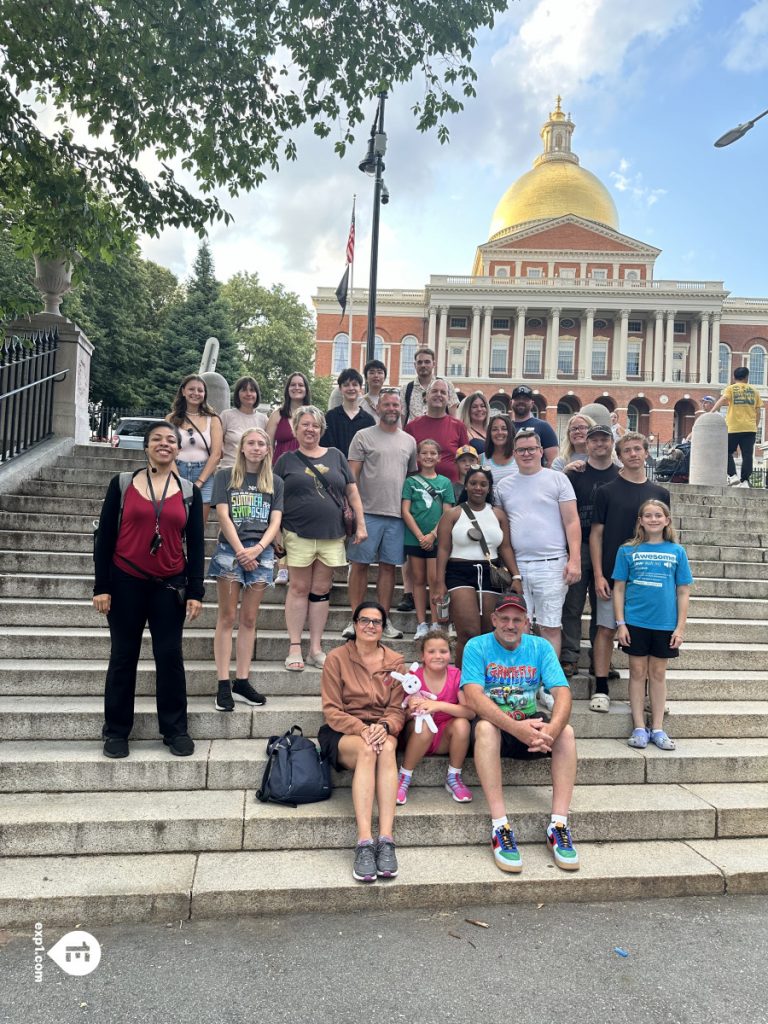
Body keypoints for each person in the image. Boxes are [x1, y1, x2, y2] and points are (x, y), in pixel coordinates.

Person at [93, 421, 204, 759]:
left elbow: (196, 545)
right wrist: (102, 586)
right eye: (157, 439)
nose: (164, 444)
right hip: (125, 581)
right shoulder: (123, 484)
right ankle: (115, 732)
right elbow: (105, 539)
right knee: (123, 657)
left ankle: (175, 729)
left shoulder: (188, 491)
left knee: (169, 658)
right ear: (146, 446)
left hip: (169, 586)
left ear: (179, 449)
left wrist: (196, 591)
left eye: (171, 440)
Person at [460, 594, 579, 873]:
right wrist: (517, 729)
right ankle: (500, 827)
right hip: (495, 727)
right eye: (504, 618)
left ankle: (558, 825)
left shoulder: (540, 647)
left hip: (529, 723)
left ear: (526, 623)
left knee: (567, 733)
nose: (510, 625)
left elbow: (562, 692)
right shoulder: (477, 646)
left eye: (517, 619)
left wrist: (550, 730)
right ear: (494, 620)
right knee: (487, 728)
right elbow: (474, 697)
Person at [319, 601, 407, 883]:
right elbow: (332, 710)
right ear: (354, 624)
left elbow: (397, 709)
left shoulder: (395, 662)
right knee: (370, 749)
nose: (370, 626)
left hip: (381, 729)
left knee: (389, 746)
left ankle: (387, 839)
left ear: (384, 628)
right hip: (344, 731)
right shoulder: (337, 658)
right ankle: (365, 842)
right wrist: (361, 729)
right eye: (365, 621)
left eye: (377, 622)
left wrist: (383, 726)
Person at [274, 405, 366, 671]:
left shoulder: (336, 456)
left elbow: (353, 493)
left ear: (321, 429)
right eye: (304, 424)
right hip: (297, 532)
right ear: (295, 429)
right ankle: (294, 647)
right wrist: (276, 531)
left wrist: (361, 525)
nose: (310, 429)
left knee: (321, 590)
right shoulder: (286, 460)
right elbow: (274, 498)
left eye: (314, 425)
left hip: (332, 534)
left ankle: (315, 647)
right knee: (299, 588)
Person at [589, 432, 671, 713]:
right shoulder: (606, 491)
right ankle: (601, 688)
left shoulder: (660, 494)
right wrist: (599, 574)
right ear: (619, 455)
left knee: (649, 634)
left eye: (638, 449)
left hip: (650, 577)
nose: (633, 454)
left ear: (646, 453)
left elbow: (667, 535)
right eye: (627, 450)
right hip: (614, 575)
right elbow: (596, 536)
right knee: (606, 628)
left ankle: (651, 697)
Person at [208, 428, 283, 712]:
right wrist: (241, 550)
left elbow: (276, 520)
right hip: (231, 551)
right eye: (250, 443)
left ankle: (242, 680)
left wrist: (258, 548)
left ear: (267, 449)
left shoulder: (274, 481)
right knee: (227, 617)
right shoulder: (225, 476)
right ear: (241, 447)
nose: (255, 447)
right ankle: (223, 684)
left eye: (260, 443)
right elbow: (223, 515)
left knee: (249, 619)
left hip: (261, 552)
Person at [494, 428, 581, 666]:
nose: (527, 453)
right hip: (518, 566)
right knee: (519, 626)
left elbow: (572, 521)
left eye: (531, 448)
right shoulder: (503, 486)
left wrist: (575, 560)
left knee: (550, 626)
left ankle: (548, 682)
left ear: (541, 451)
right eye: (521, 450)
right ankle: (525, 678)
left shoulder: (558, 479)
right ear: (514, 453)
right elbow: (503, 527)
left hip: (552, 564)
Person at [613, 500, 692, 751]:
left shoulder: (677, 551)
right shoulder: (627, 550)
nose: (654, 519)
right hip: (635, 622)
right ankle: (639, 727)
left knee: (658, 674)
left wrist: (679, 628)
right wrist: (620, 623)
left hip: (664, 624)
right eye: (648, 515)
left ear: (667, 520)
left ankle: (657, 727)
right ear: (641, 521)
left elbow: (683, 591)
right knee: (637, 672)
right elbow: (619, 588)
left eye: (659, 515)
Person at [346, 389, 417, 640]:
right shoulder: (362, 436)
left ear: (401, 409)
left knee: (389, 569)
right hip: (367, 513)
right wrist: (354, 512)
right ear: (378, 408)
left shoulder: (409, 441)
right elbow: (351, 477)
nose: (391, 408)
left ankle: (382, 620)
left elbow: (410, 478)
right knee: (360, 565)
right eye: (386, 404)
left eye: (395, 405)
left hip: (397, 516)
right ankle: (356, 618)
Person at [433, 467, 521, 666]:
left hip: (490, 573)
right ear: (466, 485)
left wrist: (516, 576)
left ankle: (486, 681)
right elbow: (443, 549)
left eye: (483, 484)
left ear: (489, 488)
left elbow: (505, 547)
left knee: (488, 633)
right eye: (473, 483)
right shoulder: (453, 514)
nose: (478, 488)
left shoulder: (498, 514)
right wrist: (439, 582)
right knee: (468, 632)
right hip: (459, 573)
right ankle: (462, 683)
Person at [560, 424, 620, 678]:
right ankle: (570, 656)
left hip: (610, 548)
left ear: (611, 443)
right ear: (587, 443)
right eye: (593, 440)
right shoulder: (575, 474)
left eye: (604, 440)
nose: (599, 444)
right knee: (572, 605)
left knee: (604, 607)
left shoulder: (621, 474)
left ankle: (601, 658)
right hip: (578, 545)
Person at [395, 630, 475, 805]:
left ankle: (454, 776)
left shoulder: (457, 676)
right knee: (423, 724)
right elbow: (400, 714)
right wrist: (412, 709)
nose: (438, 656)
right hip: (417, 736)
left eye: (443, 651)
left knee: (462, 724)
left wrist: (438, 705)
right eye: (431, 651)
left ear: (451, 654)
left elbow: (470, 712)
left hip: (444, 738)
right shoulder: (413, 678)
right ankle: (404, 776)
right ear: (422, 656)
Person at [401, 439, 454, 639]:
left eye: (433, 453)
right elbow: (405, 511)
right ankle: (421, 623)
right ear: (419, 457)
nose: (429, 457)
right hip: (414, 539)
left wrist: (432, 535)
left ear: (439, 457)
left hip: (437, 540)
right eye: (424, 453)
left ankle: (435, 623)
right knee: (418, 580)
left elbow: (447, 513)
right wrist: (420, 536)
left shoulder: (445, 483)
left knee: (435, 580)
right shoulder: (411, 482)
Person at [267, 372, 311, 584]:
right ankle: (282, 566)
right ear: (287, 389)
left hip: (305, 473)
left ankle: (301, 564)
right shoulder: (278, 414)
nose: (296, 388)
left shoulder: (311, 414)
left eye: (300, 385)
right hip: (281, 472)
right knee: (279, 518)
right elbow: (267, 445)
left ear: (306, 389)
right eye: (292, 385)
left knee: (301, 516)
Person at [167, 373, 223, 524]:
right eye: (191, 389)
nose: (196, 393)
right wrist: (178, 479)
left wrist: (200, 481)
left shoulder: (214, 419)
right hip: (176, 471)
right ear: (183, 391)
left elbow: (216, 454)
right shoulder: (170, 419)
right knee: (175, 522)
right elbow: (168, 452)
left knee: (198, 526)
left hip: (204, 473)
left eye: (200, 390)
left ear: (205, 394)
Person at [405, 378, 469, 483]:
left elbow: (466, 460)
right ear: (426, 396)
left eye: (443, 392)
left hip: (451, 490)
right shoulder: (411, 427)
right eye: (434, 391)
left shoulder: (459, 427)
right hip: (420, 491)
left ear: (448, 399)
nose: (439, 394)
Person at [711, 366, 762, 488]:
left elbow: (722, 400)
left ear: (734, 377)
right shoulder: (754, 391)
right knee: (747, 455)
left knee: (726, 452)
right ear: (747, 377)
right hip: (749, 428)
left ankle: (733, 476)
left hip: (733, 427)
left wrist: (711, 412)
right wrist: (755, 425)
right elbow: (758, 411)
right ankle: (745, 480)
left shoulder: (731, 389)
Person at [320, 368, 375, 456]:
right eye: (346, 385)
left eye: (355, 385)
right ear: (340, 389)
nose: (351, 388)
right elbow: (325, 447)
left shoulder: (368, 420)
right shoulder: (331, 417)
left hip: (361, 468)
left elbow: (371, 450)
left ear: (360, 388)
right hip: (336, 467)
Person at [219, 376, 268, 469]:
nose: (248, 393)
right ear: (238, 394)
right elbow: (216, 445)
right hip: (229, 469)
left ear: (257, 394)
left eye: (252, 390)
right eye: (244, 390)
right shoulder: (226, 415)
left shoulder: (264, 419)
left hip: (255, 473)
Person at [402, 347, 459, 424]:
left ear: (434, 364)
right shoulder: (406, 389)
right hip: (415, 434)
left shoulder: (447, 385)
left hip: (440, 433)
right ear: (415, 365)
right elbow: (402, 418)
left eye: (427, 362)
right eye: (419, 362)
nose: (423, 365)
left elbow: (453, 418)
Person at [509, 385, 559, 466]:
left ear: (532, 403)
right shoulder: (505, 428)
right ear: (511, 402)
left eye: (525, 399)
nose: (521, 401)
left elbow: (552, 461)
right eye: (517, 398)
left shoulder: (543, 427)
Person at [481, 413, 518, 488]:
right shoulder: (480, 459)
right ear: (489, 434)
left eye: (504, 429)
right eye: (495, 429)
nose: (499, 432)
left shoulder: (519, 456)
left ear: (510, 432)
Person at [458, 390, 491, 454]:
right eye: (474, 407)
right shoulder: (463, 432)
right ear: (467, 410)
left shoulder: (492, 430)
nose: (479, 409)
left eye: (482, 406)